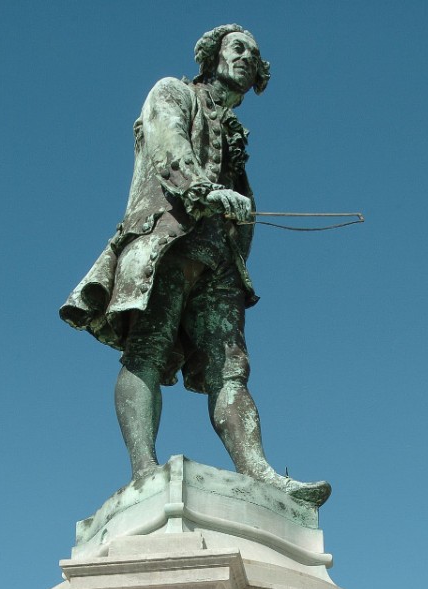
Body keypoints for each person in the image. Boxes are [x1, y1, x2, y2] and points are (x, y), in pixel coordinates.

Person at [60, 24, 330, 506]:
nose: (247, 58)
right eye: (238, 48)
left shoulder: (232, 132)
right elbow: (169, 146)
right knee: (147, 347)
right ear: (213, 57)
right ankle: (144, 470)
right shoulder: (173, 91)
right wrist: (208, 191)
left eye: (255, 54)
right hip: (168, 239)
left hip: (218, 258)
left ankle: (260, 473)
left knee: (232, 371)